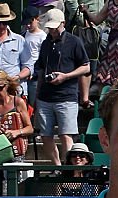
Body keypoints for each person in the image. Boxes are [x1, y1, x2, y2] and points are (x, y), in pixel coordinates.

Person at [34, 9, 91, 165]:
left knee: (66, 135)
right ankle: (57, 166)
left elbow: (86, 67)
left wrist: (66, 76)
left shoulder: (74, 41)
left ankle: (69, 168)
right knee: (45, 135)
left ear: (63, 24)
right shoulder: (46, 43)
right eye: (50, 27)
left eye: (55, 27)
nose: (52, 30)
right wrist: (37, 97)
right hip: (45, 97)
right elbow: (40, 70)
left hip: (66, 96)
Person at [0, 69, 33, 162]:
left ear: (7, 86)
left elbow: (30, 128)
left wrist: (16, 132)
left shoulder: (18, 102)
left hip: (15, 153)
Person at [0, 3, 31, 98]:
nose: (1, 26)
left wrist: (17, 77)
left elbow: (28, 67)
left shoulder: (20, 40)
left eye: (5, 23)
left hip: (14, 90)